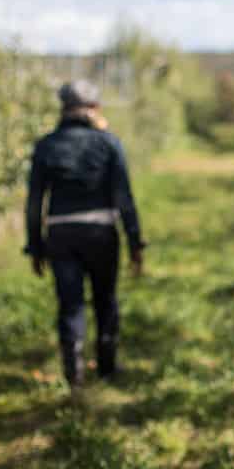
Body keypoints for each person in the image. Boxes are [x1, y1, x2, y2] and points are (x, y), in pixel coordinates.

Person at [24, 80, 145, 388]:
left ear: (63, 108)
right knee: (105, 299)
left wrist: (35, 246)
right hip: (101, 231)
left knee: (70, 303)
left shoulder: (46, 145)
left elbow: (35, 201)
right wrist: (134, 242)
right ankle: (106, 367)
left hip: (61, 234)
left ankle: (74, 371)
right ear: (95, 108)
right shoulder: (108, 143)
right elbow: (124, 197)